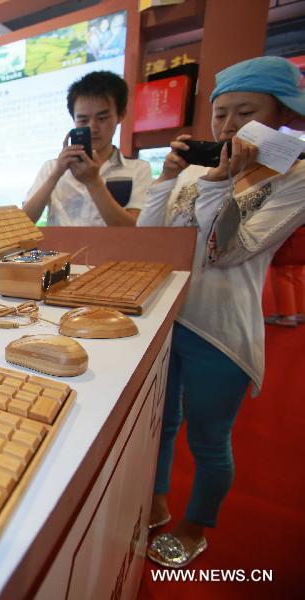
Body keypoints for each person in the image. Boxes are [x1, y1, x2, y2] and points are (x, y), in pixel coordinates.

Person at [137, 56, 305, 568]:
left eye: (245, 113)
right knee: (162, 425)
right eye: (220, 115)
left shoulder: (294, 176)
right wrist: (168, 180)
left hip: (222, 330)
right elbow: (151, 241)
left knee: (210, 439)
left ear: (281, 117)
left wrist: (215, 183)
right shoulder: (197, 170)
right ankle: (159, 497)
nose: (230, 127)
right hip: (171, 316)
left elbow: (228, 251)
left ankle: (196, 526)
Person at [23, 71, 151, 226]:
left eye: (102, 118)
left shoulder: (138, 169)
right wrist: (56, 174)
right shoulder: (51, 167)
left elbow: (133, 231)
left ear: (121, 115)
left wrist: (93, 182)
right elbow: (24, 224)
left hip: (112, 251)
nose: (93, 127)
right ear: (74, 119)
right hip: (60, 251)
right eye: (83, 120)